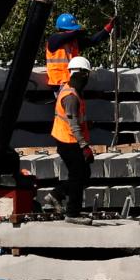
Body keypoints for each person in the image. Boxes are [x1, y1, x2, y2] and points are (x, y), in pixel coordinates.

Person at [48, 56, 95, 217]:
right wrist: (84, 147)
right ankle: (73, 213)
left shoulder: (73, 90)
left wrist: (87, 125)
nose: (87, 78)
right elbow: (73, 125)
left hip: (70, 138)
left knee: (84, 175)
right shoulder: (71, 96)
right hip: (68, 141)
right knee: (77, 176)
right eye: (86, 74)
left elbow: (76, 119)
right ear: (81, 74)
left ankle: (57, 194)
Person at [45, 13, 115, 86]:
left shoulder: (74, 42)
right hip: (58, 82)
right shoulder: (54, 39)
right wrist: (79, 32)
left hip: (72, 82)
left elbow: (93, 40)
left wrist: (108, 28)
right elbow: (67, 36)